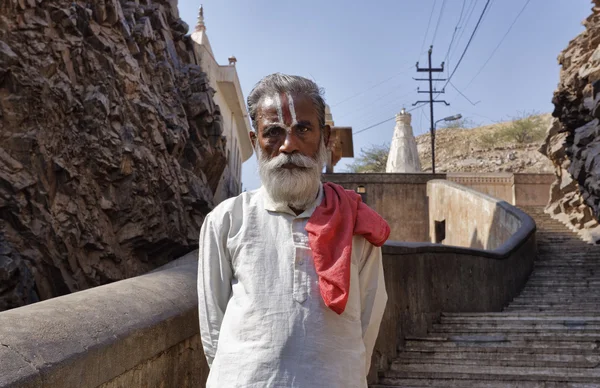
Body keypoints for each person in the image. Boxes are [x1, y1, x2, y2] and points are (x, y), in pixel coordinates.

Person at [197, 73, 389, 387]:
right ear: (254, 140)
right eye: (273, 132)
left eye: (302, 129)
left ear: (326, 138)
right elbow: (212, 329)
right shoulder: (227, 221)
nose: (288, 145)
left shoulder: (358, 226)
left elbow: (368, 320)